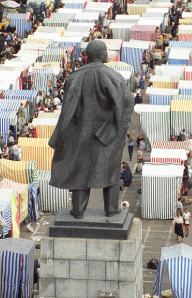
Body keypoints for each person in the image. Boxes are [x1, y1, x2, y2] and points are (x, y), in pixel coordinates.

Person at [48, 41, 135, 218]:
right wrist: (116, 130)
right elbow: (127, 104)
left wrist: (59, 137)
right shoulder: (114, 76)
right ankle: (111, 209)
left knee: (80, 172)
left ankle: (78, 210)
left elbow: (67, 111)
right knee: (110, 171)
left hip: (80, 134)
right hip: (108, 135)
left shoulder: (75, 77)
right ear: (102, 55)